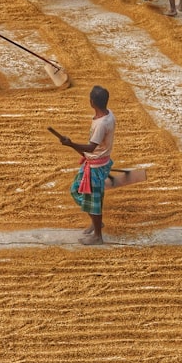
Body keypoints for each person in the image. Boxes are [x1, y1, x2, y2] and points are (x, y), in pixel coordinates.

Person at [58, 85, 116, 245]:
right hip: (96, 161)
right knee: (78, 191)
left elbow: (91, 147)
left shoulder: (100, 125)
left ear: (92, 102)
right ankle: (96, 223)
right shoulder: (109, 114)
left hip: (96, 166)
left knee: (94, 201)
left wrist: (70, 144)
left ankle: (98, 235)